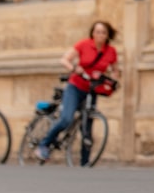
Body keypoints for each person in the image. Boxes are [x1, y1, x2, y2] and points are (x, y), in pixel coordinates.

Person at [37, 20, 119, 165]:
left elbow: (115, 70)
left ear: (108, 35)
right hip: (76, 86)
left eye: (103, 32)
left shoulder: (111, 52)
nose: (100, 35)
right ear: (92, 33)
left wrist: (112, 81)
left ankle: (85, 162)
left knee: (87, 127)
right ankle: (44, 144)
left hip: (92, 90)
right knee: (67, 118)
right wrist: (74, 68)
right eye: (97, 32)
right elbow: (64, 60)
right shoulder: (84, 44)